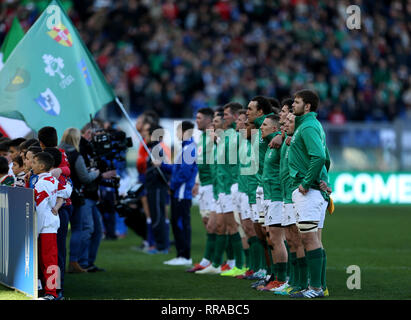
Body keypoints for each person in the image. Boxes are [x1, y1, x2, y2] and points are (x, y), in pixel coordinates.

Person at [288, 89, 330, 299]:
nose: (292, 105)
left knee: (309, 239)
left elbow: (320, 156)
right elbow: (327, 158)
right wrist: (324, 179)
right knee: (313, 239)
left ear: (307, 106)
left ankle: (315, 288)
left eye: (296, 102)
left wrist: (306, 182)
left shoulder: (307, 127)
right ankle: (318, 285)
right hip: (313, 190)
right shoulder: (311, 126)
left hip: (308, 191)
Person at [60, 128, 116, 273]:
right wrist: (98, 173)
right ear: (77, 139)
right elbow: (84, 177)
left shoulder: (59, 153)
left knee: (63, 232)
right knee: (80, 228)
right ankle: (76, 262)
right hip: (77, 196)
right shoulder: (76, 155)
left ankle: (74, 263)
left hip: (60, 196)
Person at [161, 121, 198, 266]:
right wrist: (163, 165)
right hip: (179, 192)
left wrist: (172, 185)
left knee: (181, 223)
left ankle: (185, 256)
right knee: (177, 223)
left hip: (182, 193)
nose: (176, 134)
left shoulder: (189, 148)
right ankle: (181, 254)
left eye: (178, 131)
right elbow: (177, 170)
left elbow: (184, 173)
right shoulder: (185, 148)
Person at [187, 107, 216, 272]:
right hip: (204, 184)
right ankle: (210, 260)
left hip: (214, 184)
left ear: (208, 120)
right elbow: (202, 161)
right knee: (207, 223)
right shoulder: (202, 137)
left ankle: (214, 260)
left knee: (215, 225)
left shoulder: (213, 137)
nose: (196, 120)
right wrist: (197, 182)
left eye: (199, 118)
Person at [43, 147, 73, 300]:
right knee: (53, 255)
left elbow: (65, 192)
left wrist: (56, 207)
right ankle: (50, 287)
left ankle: (56, 288)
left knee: (55, 254)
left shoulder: (55, 177)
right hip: (48, 221)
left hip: (52, 221)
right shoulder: (45, 176)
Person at [32, 152, 59, 300]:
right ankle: (48, 290)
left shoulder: (42, 183)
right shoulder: (52, 179)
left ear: (42, 166)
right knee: (46, 260)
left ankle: (52, 293)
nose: (31, 164)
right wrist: (58, 205)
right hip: (49, 225)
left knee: (48, 261)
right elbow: (66, 190)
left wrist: (36, 231)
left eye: (34, 162)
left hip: (45, 227)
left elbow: (41, 210)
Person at [142, 122, 170, 255]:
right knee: (155, 215)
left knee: (158, 216)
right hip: (153, 188)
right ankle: (159, 245)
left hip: (158, 188)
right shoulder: (152, 149)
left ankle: (162, 246)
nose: (144, 136)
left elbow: (164, 171)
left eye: (147, 133)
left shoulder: (157, 149)